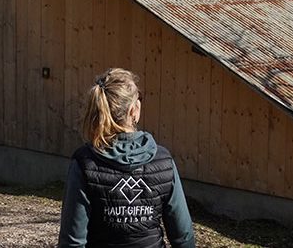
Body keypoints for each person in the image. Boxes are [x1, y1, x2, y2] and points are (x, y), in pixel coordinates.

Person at [58, 68, 196, 248]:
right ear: (134, 110)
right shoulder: (163, 161)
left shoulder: (85, 162)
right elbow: (183, 236)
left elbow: (72, 241)